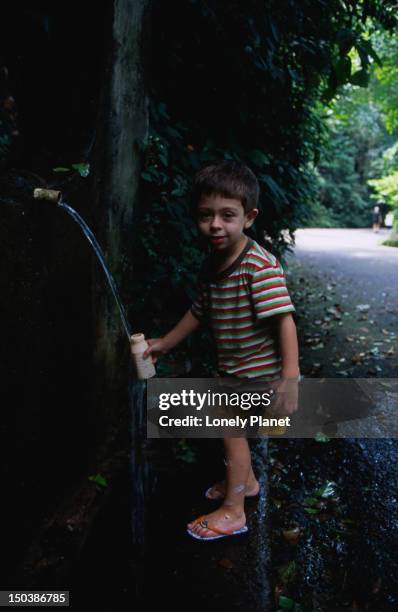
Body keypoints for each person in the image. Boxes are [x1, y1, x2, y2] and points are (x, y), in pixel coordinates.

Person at [139, 160, 300, 541]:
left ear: (249, 217)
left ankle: (234, 510)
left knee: (229, 429)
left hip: (260, 374)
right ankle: (246, 482)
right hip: (233, 369)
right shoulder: (212, 265)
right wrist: (164, 342)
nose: (215, 225)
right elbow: (200, 311)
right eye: (205, 215)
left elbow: (284, 320)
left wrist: (290, 377)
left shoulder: (257, 267)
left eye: (228, 215)